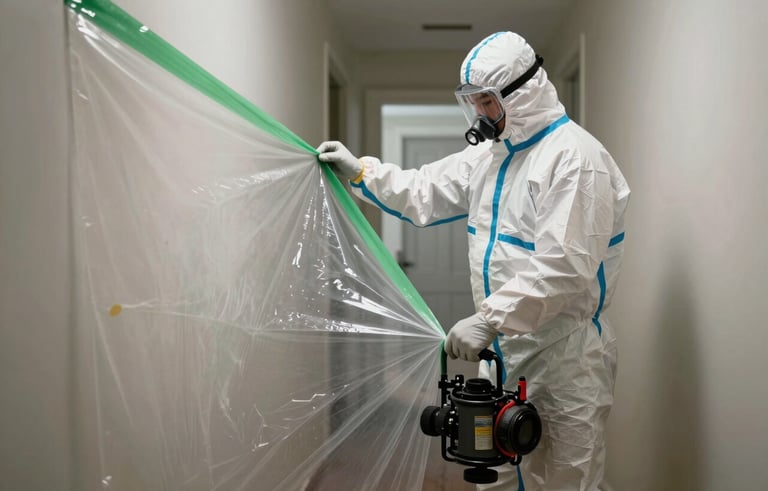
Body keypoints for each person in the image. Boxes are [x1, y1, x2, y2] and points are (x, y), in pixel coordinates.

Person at [316, 31, 630, 491]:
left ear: (523, 93)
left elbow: (565, 266)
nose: (480, 114)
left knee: (563, 480)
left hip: (564, 361)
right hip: (502, 356)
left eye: (488, 101)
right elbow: (425, 189)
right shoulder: (491, 157)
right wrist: (362, 172)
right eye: (473, 102)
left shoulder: (576, 160)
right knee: (495, 475)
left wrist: (490, 318)